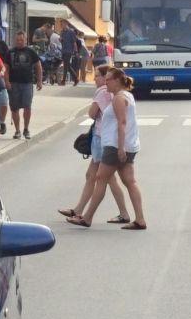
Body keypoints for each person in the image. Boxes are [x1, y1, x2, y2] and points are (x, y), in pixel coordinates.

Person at [80, 68, 147, 230]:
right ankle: (140, 219)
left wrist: (120, 148)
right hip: (128, 144)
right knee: (130, 181)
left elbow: (122, 123)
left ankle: (87, 217)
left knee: (101, 178)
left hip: (116, 145)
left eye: (108, 79)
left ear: (117, 81)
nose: (106, 82)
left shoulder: (119, 98)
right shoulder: (127, 95)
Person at [62, 76, 130, 227]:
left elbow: (92, 114)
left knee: (105, 178)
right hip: (107, 138)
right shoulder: (120, 94)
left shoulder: (102, 92)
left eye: (98, 75)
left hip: (102, 138)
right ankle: (80, 210)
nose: (96, 79)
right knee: (97, 176)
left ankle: (88, 215)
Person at [7, 34, 42, 139]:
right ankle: (17, 131)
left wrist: (39, 81)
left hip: (27, 83)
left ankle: (26, 129)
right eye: (17, 40)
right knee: (14, 108)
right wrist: (6, 81)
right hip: (14, 83)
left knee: (27, 106)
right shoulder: (10, 52)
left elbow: (38, 66)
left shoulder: (31, 52)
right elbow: (6, 68)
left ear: (26, 40)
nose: (19, 42)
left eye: (21, 40)